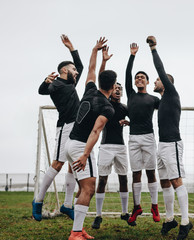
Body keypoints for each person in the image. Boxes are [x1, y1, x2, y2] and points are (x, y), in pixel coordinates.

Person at [65, 37, 116, 240]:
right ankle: (76, 232)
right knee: (89, 187)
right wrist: (86, 155)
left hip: (70, 144)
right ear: (113, 87)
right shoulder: (107, 108)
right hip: (80, 147)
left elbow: (91, 69)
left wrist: (95, 51)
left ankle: (78, 228)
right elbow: (95, 132)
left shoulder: (89, 89)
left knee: (85, 187)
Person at [147, 36, 192, 240]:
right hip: (162, 145)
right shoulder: (163, 100)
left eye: (158, 80)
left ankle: (185, 222)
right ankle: (170, 219)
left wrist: (153, 49)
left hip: (172, 143)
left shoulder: (172, 93)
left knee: (176, 181)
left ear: (166, 82)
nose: (155, 82)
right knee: (164, 182)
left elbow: (159, 70)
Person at [33, 34, 83, 221]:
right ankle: (38, 201)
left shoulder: (71, 83)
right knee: (58, 164)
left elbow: (81, 66)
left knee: (73, 166)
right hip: (65, 127)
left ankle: (67, 205)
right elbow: (42, 91)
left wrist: (72, 48)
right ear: (64, 70)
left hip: (77, 128)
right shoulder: (57, 84)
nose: (76, 71)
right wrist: (45, 82)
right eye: (72, 69)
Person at [91, 47, 130, 229]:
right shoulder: (105, 103)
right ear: (111, 89)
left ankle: (124, 212)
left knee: (123, 179)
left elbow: (137, 119)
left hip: (121, 147)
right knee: (103, 180)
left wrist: (130, 123)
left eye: (120, 89)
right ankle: (98, 215)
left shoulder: (124, 108)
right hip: (106, 146)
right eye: (116, 87)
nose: (118, 90)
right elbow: (101, 79)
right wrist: (104, 61)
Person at [125, 43, 160, 226]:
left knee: (151, 173)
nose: (139, 79)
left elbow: (166, 110)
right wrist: (132, 56)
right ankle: (137, 207)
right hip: (133, 138)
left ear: (147, 82)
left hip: (148, 137)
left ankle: (155, 206)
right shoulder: (130, 95)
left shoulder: (154, 99)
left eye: (142, 77)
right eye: (137, 77)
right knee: (136, 174)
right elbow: (127, 73)